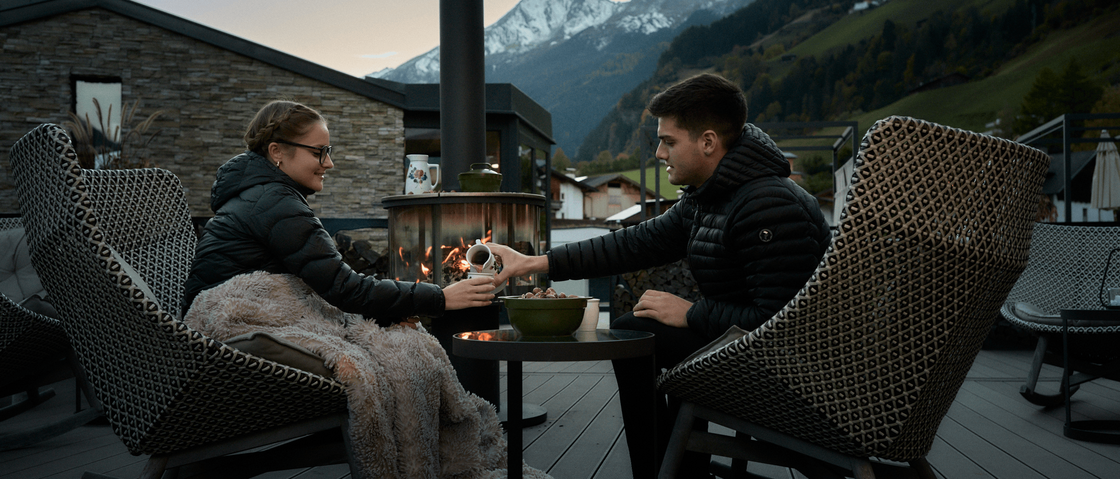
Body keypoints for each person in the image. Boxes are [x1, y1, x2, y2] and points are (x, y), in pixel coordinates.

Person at [489, 73, 832, 476]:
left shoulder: (768, 206)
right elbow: (632, 243)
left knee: (635, 333)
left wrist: (691, 314)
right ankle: (679, 467)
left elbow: (782, 326)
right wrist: (533, 262)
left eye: (669, 141)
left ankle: (663, 470)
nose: (658, 153)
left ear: (707, 141)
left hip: (787, 372)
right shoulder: (711, 196)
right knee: (636, 327)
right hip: (742, 346)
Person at [182, 100, 497, 324]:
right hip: (230, 341)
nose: (329, 163)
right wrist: (441, 298)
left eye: (328, 152)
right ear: (277, 151)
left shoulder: (259, 196)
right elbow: (347, 290)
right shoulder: (275, 204)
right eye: (319, 152)